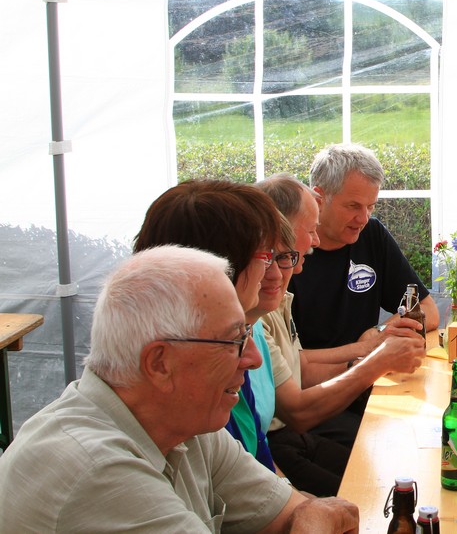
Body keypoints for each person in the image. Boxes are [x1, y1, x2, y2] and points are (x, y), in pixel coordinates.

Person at [0, 245, 359, 532]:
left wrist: (310, 517)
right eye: (235, 339)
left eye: (248, 333)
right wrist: (313, 519)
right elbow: (308, 516)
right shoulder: (97, 474)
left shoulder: (184, 422)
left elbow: (292, 512)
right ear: (160, 363)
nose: (253, 359)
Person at [257, 173, 424, 496]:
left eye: (370, 207)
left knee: (390, 470)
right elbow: (298, 410)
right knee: (373, 491)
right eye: (310, 230)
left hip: (288, 434)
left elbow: (298, 366)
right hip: (278, 439)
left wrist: (369, 348)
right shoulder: (261, 300)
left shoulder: (277, 295)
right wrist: (376, 360)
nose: (315, 241)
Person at [288, 143, 437, 444]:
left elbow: (428, 312)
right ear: (318, 198)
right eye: (353, 206)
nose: (363, 218)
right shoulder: (288, 256)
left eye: (371, 207)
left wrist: (378, 333)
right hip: (315, 400)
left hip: (366, 381)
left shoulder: (371, 235)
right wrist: (366, 351)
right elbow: (292, 368)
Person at [134, 179, 285, 472]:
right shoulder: (197, 387)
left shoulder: (227, 357)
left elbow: (258, 480)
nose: (273, 271)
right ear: (218, 266)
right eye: (266, 255)